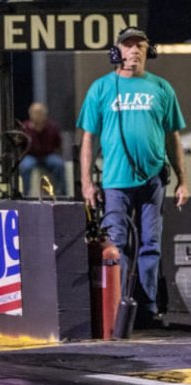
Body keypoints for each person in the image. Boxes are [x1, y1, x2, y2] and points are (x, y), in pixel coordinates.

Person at [77, 27, 188, 328]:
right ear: (117, 52)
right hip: (115, 182)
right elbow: (88, 139)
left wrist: (183, 178)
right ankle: (116, 308)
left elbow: (173, 137)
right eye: (128, 46)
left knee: (150, 244)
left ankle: (148, 309)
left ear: (148, 51)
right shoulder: (101, 89)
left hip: (153, 180)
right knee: (117, 244)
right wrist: (86, 182)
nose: (135, 51)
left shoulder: (162, 88)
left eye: (140, 45)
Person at [19, 102, 66, 196]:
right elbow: (19, 145)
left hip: (48, 155)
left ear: (45, 114)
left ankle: (62, 193)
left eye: (40, 112)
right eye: (35, 112)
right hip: (30, 155)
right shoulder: (24, 128)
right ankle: (25, 194)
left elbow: (59, 144)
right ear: (30, 114)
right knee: (25, 167)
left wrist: (59, 154)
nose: (38, 115)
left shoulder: (52, 127)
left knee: (59, 164)